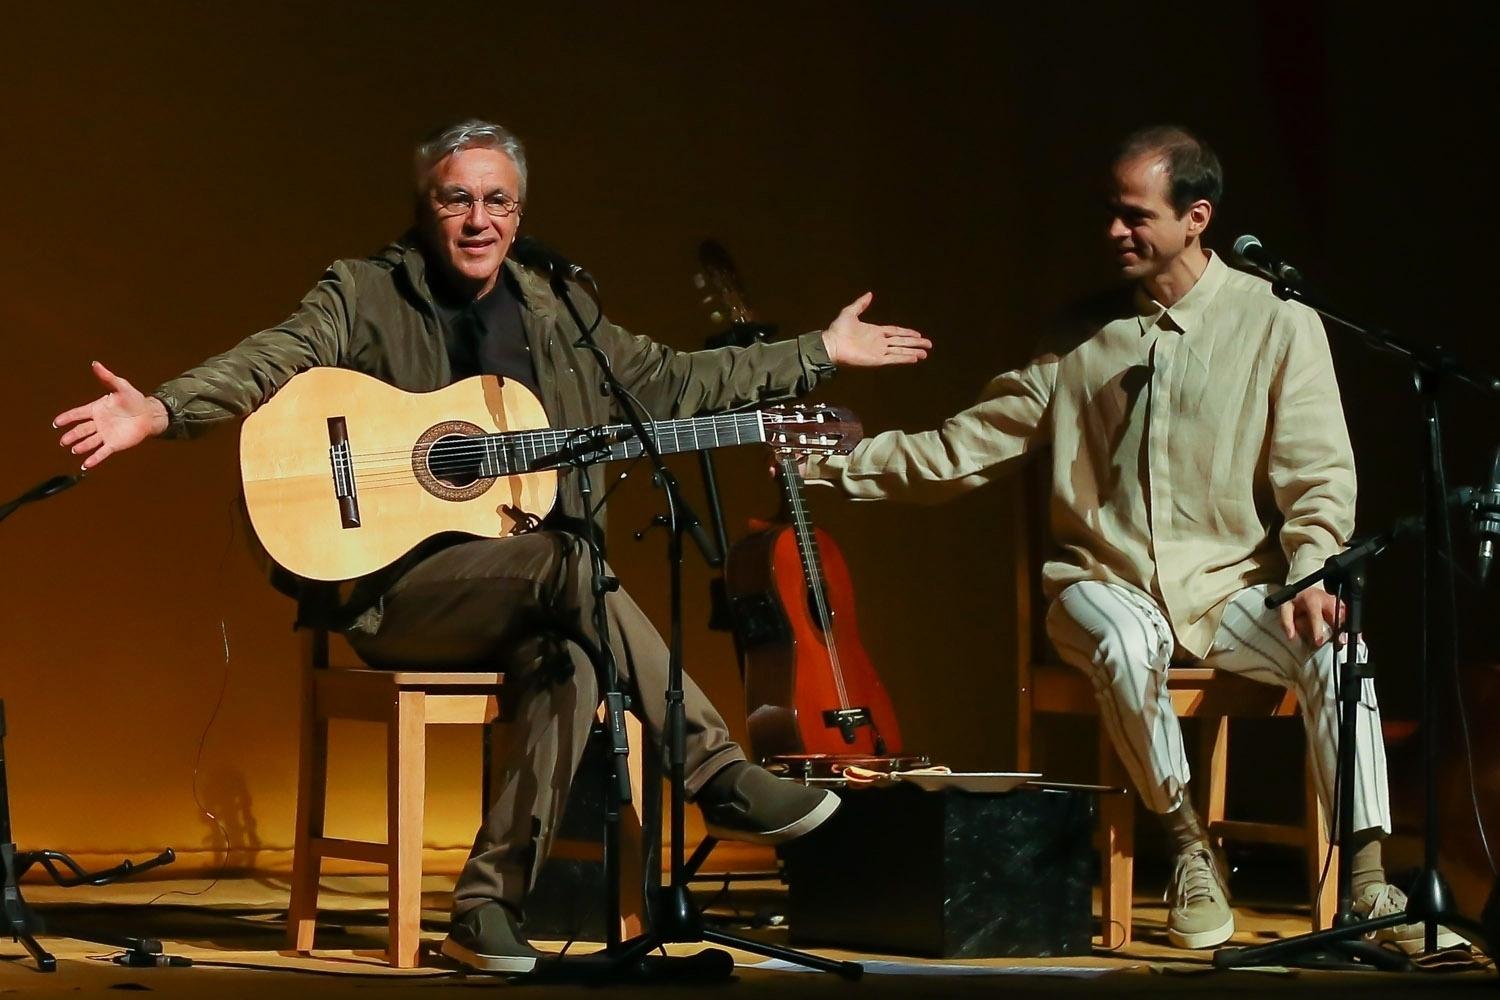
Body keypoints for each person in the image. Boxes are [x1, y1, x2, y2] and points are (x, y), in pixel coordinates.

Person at [52, 119, 932, 972]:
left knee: (572, 661)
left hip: (528, 590)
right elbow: (271, 358)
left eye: (498, 202)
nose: (479, 220)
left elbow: (671, 380)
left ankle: (483, 910)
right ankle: (719, 775)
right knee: (572, 564)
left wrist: (819, 349)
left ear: (519, 214)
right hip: (392, 595)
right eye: (457, 200)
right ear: (426, 207)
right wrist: (165, 409)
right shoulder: (365, 293)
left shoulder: (556, 309)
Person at [804, 125, 1458, 953]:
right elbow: (967, 447)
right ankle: (1186, 845)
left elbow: (1316, 475)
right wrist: (833, 464)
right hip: (1097, 581)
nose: (1115, 231)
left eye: (1135, 215)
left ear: (1197, 217)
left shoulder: (1276, 322)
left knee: (1341, 648)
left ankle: (1367, 881)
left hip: (1226, 586)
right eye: (1109, 214)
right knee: (1124, 638)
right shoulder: (1078, 335)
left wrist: (1312, 574)